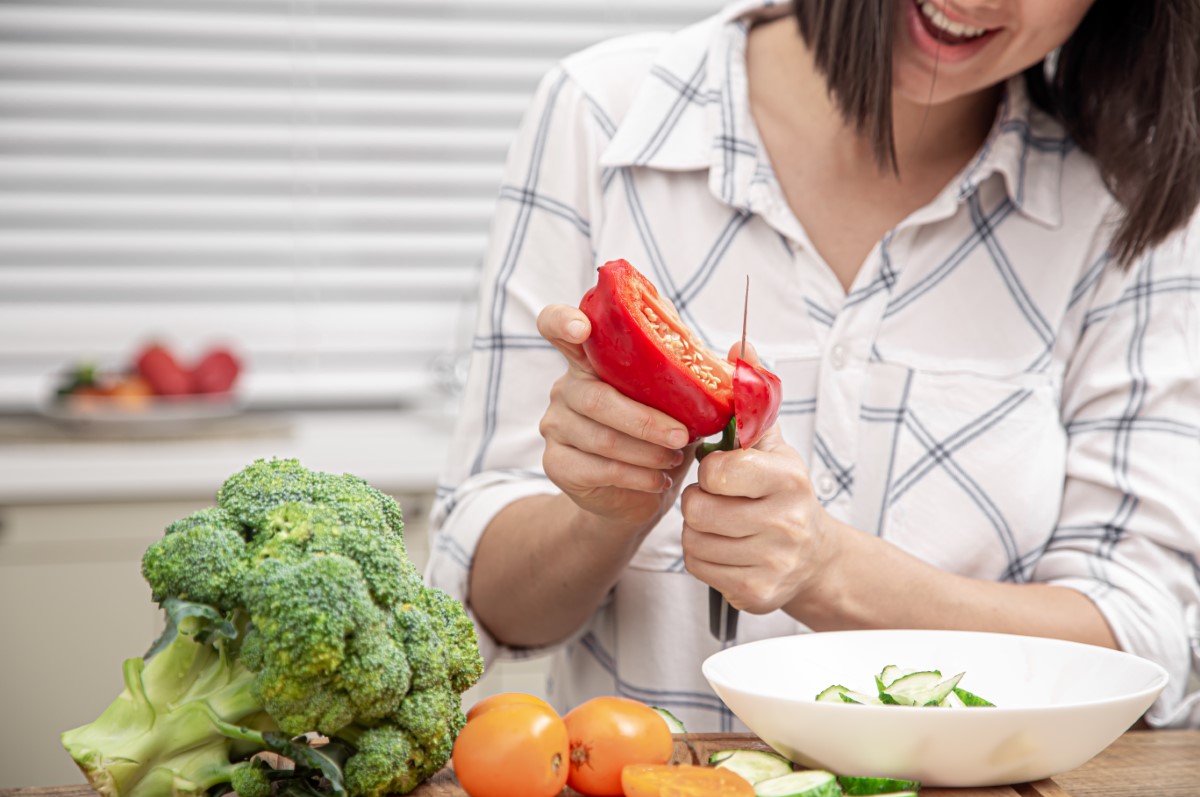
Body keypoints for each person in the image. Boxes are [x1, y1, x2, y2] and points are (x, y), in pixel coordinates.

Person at [427, 0, 1200, 731]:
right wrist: (602, 516)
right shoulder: (602, 113)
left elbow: (1142, 639)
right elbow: (480, 605)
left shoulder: (1128, 201)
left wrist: (829, 570)